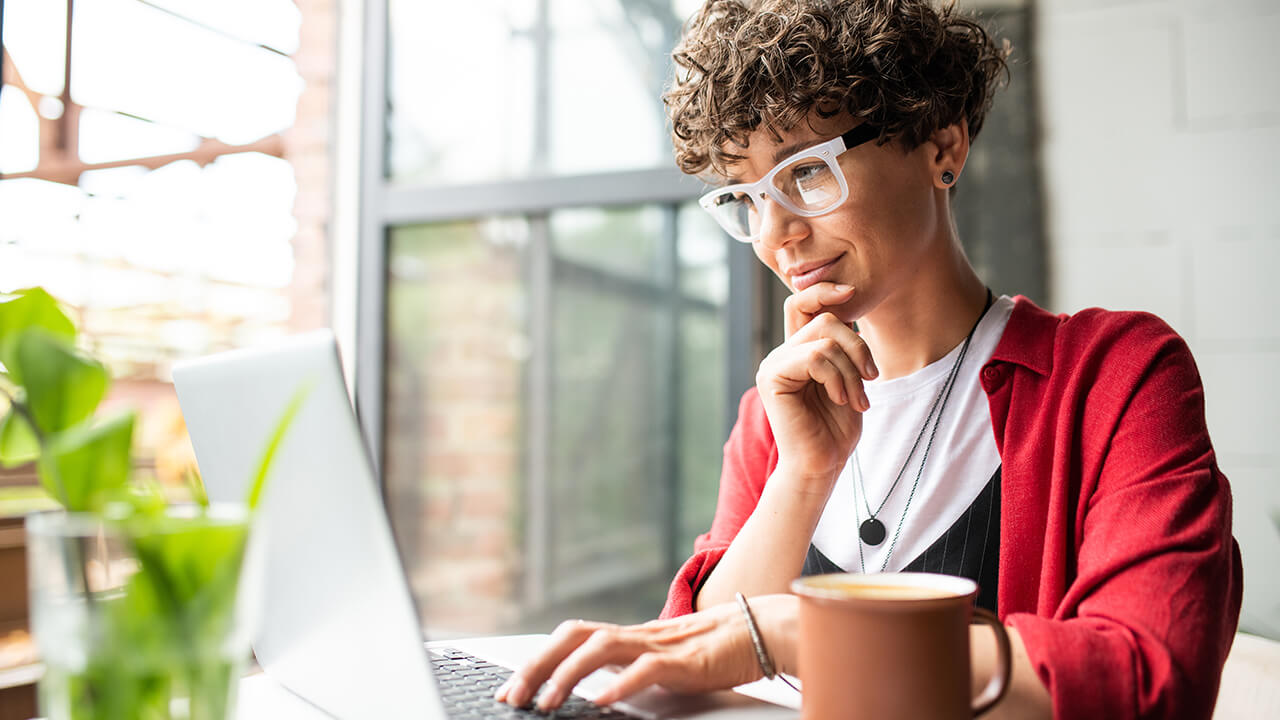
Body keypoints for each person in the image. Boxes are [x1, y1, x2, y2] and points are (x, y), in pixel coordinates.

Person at [496, 1, 1242, 718]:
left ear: (942, 147)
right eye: (747, 198)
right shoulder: (774, 416)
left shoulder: (1114, 376)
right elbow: (692, 666)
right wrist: (803, 475)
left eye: (807, 173)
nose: (776, 234)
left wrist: (799, 634)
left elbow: (1149, 681)